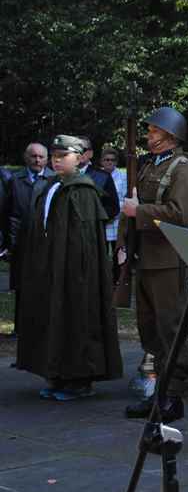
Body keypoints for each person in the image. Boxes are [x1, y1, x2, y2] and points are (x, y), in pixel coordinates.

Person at [15, 135, 123, 399]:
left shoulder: (83, 191)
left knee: (77, 321)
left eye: (63, 156)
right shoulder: (52, 185)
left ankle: (80, 380)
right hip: (51, 268)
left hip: (76, 273)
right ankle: (58, 375)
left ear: (80, 157)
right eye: (54, 155)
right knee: (55, 319)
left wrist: (77, 274)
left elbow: (86, 243)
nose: (56, 160)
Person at [117, 107, 188, 422]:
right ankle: (156, 394)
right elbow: (129, 207)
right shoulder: (150, 166)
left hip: (168, 260)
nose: (149, 135)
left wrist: (141, 212)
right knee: (149, 330)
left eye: (154, 131)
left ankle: (172, 397)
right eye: (148, 130)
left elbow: (181, 212)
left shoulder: (182, 168)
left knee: (170, 330)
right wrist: (124, 243)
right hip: (145, 257)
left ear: (170, 136)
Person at [6, 142, 54, 338]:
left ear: (47, 158)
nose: (37, 160)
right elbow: (8, 212)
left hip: (46, 242)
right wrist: (9, 243)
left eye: (41, 157)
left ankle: (44, 327)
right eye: (33, 156)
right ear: (26, 157)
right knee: (21, 286)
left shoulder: (53, 179)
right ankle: (20, 327)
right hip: (21, 243)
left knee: (46, 285)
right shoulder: (15, 180)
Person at [76, 136, 120, 222]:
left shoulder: (103, 177)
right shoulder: (62, 176)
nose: (79, 153)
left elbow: (113, 208)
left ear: (90, 153)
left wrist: (92, 217)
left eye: (83, 149)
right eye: (75, 150)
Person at [100, 147, 127, 258]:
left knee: (118, 256)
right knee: (102, 255)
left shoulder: (124, 176)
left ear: (116, 161)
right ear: (102, 161)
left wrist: (114, 210)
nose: (110, 162)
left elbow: (125, 199)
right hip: (102, 221)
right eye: (107, 159)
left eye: (112, 160)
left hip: (118, 221)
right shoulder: (97, 175)